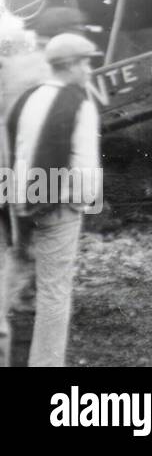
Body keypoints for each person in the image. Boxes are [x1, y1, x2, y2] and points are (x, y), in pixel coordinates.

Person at [0, 32, 102, 367]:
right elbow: (86, 168)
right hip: (59, 207)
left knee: (12, 276)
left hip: (20, 202)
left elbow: (14, 152)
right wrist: (84, 204)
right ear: (70, 65)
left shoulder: (27, 97)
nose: (88, 69)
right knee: (54, 292)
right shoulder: (80, 102)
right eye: (86, 62)